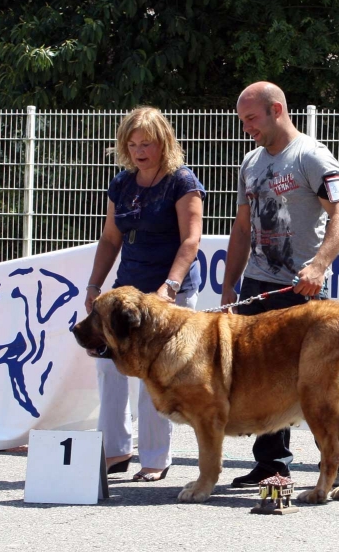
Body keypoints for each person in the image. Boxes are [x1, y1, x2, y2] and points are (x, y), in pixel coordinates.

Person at [221, 81, 339, 487]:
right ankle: (272, 465)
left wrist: (319, 266)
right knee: (258, 378)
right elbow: (242, 228)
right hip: (257, 287)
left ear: (276, 109)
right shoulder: (250, 162)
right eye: (243, 121)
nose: (247, 128)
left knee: (316, 383)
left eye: (251, 119)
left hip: (302, 291)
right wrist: (230, 286)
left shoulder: (311, 156)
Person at [85, 106, 206, 482]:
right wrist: (93, 286)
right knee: (108, 368)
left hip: (170, 292)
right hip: (126, 293)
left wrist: (168, 288)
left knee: (155, 375)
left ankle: (155, 458)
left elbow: (191, 240)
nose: (139, 151)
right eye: (133, 144)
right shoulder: (121, 183)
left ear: (163, 142)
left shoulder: (182, 182)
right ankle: (114, 452)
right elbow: (109, 239)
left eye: (147, 143)